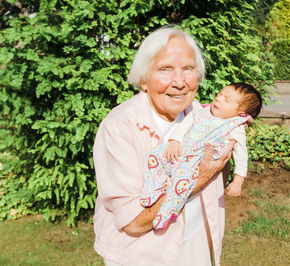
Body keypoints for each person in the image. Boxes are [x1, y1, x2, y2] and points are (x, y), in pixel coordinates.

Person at [93, 26, 238, 266]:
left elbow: (221, 168)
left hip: (195, 240)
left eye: (188, 69)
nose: (180, 82)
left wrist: (237, 126)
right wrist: (198, 179)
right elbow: (134, 222)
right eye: (165, 69)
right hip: (141, 253)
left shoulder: (203, 117)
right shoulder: (120, 126)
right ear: (143, 80)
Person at [140, 83, 262, 230]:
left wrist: (238, 181)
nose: (219, 99)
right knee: (155, 156)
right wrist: (174, 140)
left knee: (181, 185)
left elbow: (241, 155)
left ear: (240, 114)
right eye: (220, 94)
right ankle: (154, 188)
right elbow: (186, 123)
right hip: (180, 151)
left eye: (226, 100)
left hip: (195, 163)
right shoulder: (203, 111)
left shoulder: (234, 127)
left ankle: (167, 212)